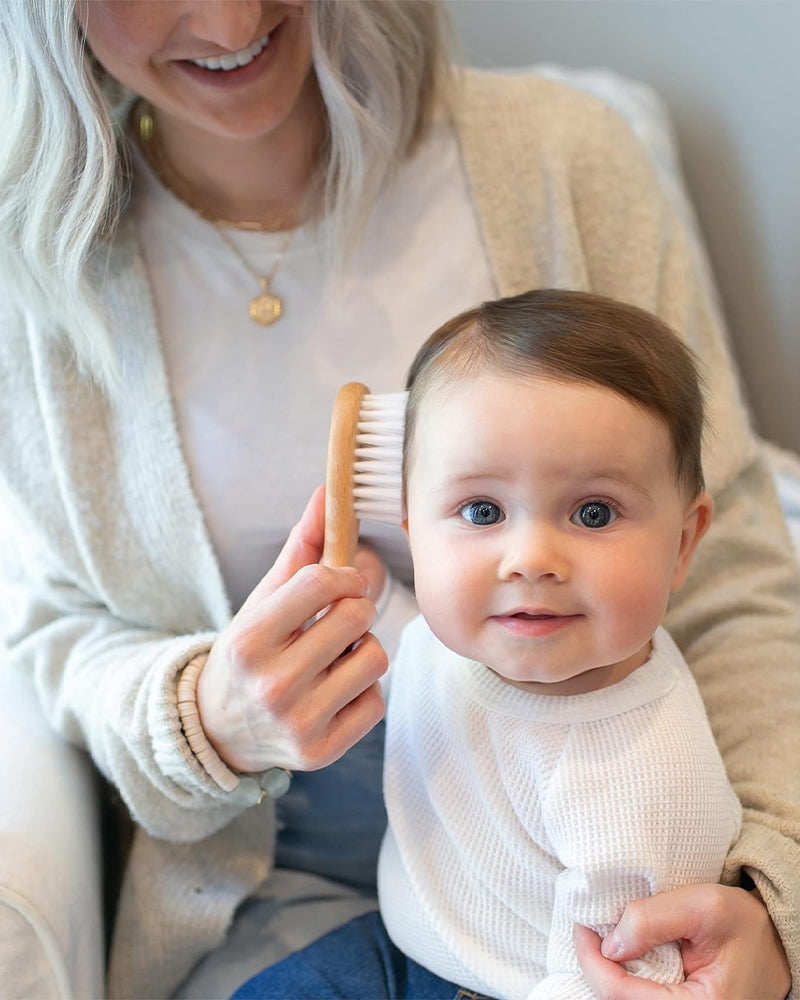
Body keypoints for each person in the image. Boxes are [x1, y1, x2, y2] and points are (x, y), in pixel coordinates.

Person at [0, 3, 797, 999]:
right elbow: (51, 623)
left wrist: (776, 904)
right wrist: (203, 718)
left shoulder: (562, 160)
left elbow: (736, 583)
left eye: (589, 513)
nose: (229, 19)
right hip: (286, 886)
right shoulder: (29, 264)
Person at [231, 288, 744, 999]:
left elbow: (625, 979)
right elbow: (420, 654)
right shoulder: (470, 638)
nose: (530, 559)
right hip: (408, 940)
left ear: (683, 544)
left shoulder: (643, 782)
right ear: (413, 531)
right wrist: (363, 597)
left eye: (594, 513)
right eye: (481, 511)